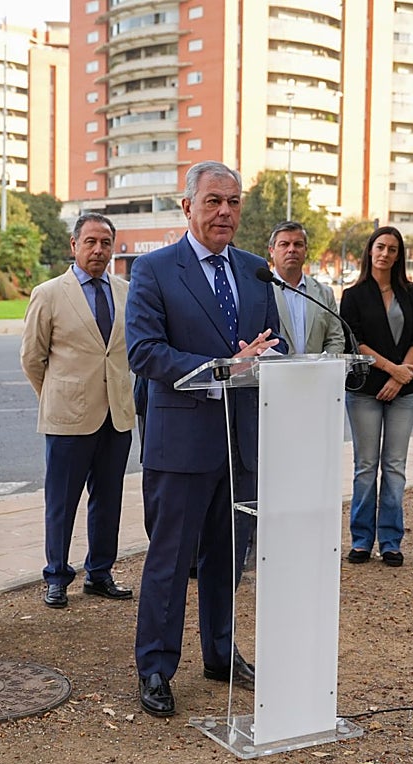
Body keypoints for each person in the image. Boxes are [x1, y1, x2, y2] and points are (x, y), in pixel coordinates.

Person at [125, 161, 283, 718]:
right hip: (182, 441)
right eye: (213, 201)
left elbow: (276, 345)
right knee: (170, 560)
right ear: (186, 206)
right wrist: (223, 367)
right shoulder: (154, 269)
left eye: (234, 202)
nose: (225, 212)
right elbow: (143, 352)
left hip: (241, 442)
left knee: (229, 559)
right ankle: (156, 668)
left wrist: (269, 356)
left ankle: (220, 653)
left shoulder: (256, 270)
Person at [21, 213, 135, 610]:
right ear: (74, 245)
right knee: (62, 500)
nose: (98, 250)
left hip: (117, 414)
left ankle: (100, 573)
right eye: (90, 242)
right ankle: (56, 575)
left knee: (109, 498)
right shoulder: (50, 293)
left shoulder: (126, 291)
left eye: (105, 242)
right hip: (68, 416)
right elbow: (32, 358)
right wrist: (56, 394)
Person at [339, 226, 413, 568]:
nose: (385, 254)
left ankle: (390, 542)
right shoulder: (354, 294)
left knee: (394, 468)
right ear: (370, 251)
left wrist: (403, 373)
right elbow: (354, 342)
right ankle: (362, 540)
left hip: (405, 392)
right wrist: (392, 370)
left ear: (398, 254)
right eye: (380, 247)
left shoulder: (409, 292)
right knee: (366, 467)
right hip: (365, 391)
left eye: (392, 249)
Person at [268, 221, 345, 355]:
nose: (291, 249)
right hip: (276, 373)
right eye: (284, 244)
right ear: (271, 251)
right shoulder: (261, 291)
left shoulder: (325, 293)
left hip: (316, 373)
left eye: (298, 244)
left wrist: (324, 366)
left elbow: (335, 339)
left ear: (306, 250)